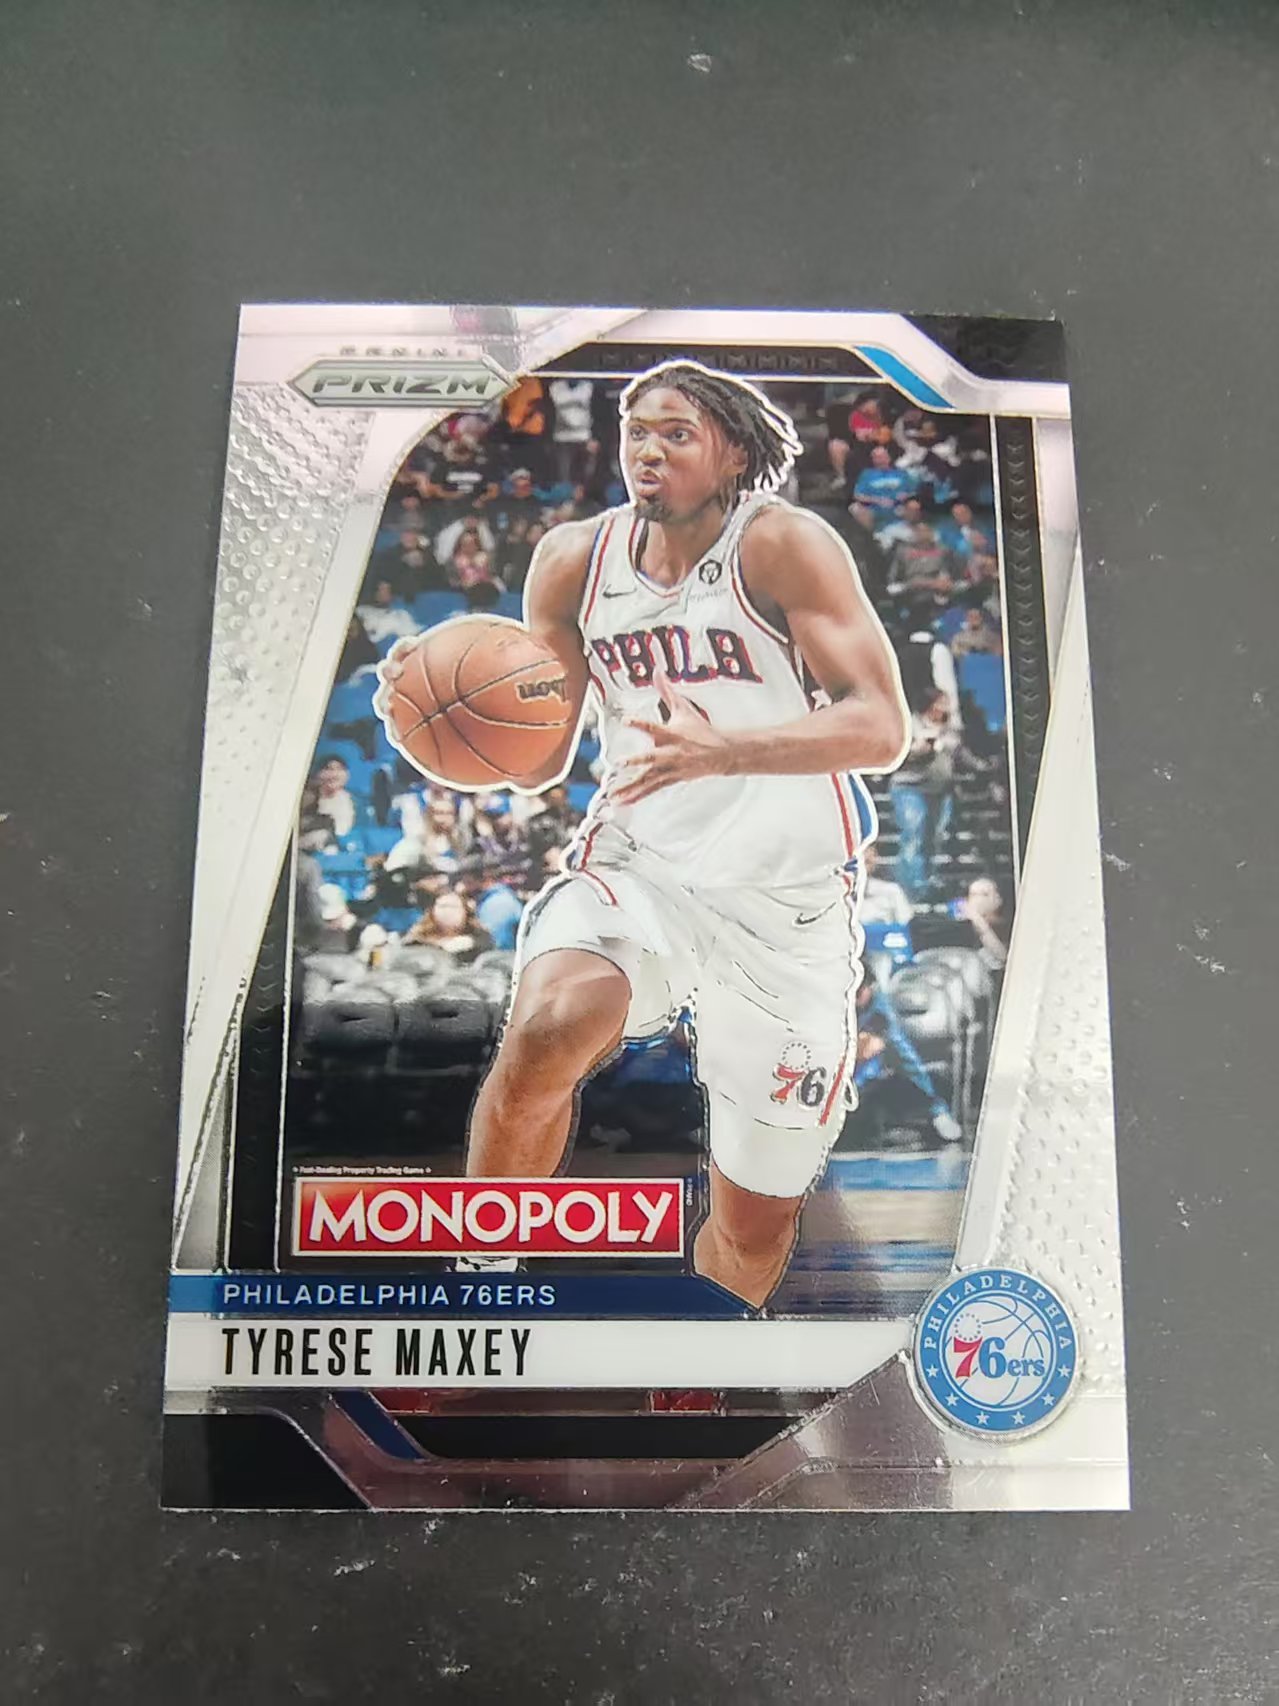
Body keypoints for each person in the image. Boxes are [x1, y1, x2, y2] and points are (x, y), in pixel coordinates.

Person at [378, 361, 909, 1309]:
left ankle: (698, 1367)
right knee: (548, 1027)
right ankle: (479, 1291)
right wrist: (426, 713)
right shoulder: (573, 560)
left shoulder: (782, 544)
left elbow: (879, 727)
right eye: (636, 432)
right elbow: (538, 757)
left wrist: (726, 751)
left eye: (675, 432)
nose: (647, 451)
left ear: (733, 453)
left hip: (785, 904)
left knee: (753, 1225)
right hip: (641, 865)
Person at [851, 968, 963, 1146]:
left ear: (869, 987)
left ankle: (937, 1112)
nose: (854, 998)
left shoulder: (881, 1013)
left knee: (902, 1057)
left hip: (874, 1073)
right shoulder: (842, 1005)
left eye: (858, 992)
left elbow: (876, 1049)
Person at [890, 688, 959, 900]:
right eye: (942, 702)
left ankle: (927, 883)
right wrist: (921, 748)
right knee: (913, 835)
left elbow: (957, 750)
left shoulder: (949, 728)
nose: (946, 707)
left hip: (939, 791)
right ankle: (910, 889)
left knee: (934, 838)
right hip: (910, 788)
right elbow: (898, 754)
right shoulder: (910, 724)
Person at [404, 888, 494, 963]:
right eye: (443, 906)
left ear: (465, 912)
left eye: (453, 907)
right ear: (432, 911)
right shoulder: (416, 940)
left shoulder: (481, 939)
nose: (448, 911)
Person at [954, 875, 1010, 970]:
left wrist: (979, 921)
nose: (978, 899)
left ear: (998, 899)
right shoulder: (962, 926)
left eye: (984, 894)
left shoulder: (1007, 927)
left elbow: (1004, 956)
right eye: (973, 894)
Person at [311, 755, 366, 842]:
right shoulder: (308, 801)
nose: (334, 775)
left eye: (340, 769)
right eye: (329, 769)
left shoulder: (356, 803)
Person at [355, 577, 418, 645]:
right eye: (380, 589)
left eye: (387, 589)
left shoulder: (402, 610)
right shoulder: (362, 610)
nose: (383, 592)